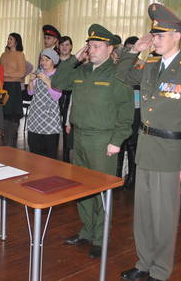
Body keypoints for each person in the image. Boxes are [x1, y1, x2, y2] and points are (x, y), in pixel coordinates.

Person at [116, 3, 181, 281]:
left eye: (159, 35)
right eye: (153, 35)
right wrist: (135, 50)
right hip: (146, 149)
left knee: (164, 216)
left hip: (171, 153)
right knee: (143, 214)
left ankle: (160, 270)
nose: (154, 40)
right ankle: (143, 262)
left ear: (176, 36)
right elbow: (122, 75)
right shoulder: (150, 65)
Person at [53, 24, 134, 259]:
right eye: (90, 45)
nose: (92, 50)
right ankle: (87, 230)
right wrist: (74, 58)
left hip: (103, 140)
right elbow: (58, 82)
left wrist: (116, 141)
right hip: (79, 137)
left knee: (101, 190)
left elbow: (126, 112)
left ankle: (100, 237)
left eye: (97, 46)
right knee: (81, 188)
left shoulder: (117, 74)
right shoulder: (82, 70)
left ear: (110, 48)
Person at [27, 48, 62, 159]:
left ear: (54, 61)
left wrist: (47, 81)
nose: (43, 62)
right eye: (42, 59)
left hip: (50, 118)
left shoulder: (58, 75)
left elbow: (56, 96)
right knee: (34, 152)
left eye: (47, 60)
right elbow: (30, 92)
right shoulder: (38, 72)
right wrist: (31, 81)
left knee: (49, 154)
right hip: (35, 116)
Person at [117, 36, 142, 189]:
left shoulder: (142, 66)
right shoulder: (119, 65)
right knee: (118, 143)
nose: (131, 52)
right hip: (119, 109)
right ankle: (116, 176)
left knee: (132, 144)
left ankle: (132, 176)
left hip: (135, 110)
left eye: (134, 49)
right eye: (128, 49)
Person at [0, 33, 26, 147]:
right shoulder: (3, 54)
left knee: (12, 116)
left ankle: (11, 141)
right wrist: (5, 76)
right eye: (8, 38)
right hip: (2, 86)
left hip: (13, 87)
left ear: (16, 42)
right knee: (3, 114)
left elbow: (21, 73)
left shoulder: (20, 55)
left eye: (11, 39)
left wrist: (6, 74)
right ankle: (3, 140)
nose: (8, 40)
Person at [58, 36, 75, 162]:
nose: (64, 47)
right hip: (54, 95)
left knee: (67, 127)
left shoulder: (75, 61)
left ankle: (66, 157)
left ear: (71, 47)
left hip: (69, 96)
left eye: (67, 45)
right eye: (62, 45)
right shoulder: (53, 61)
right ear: (58, 46)